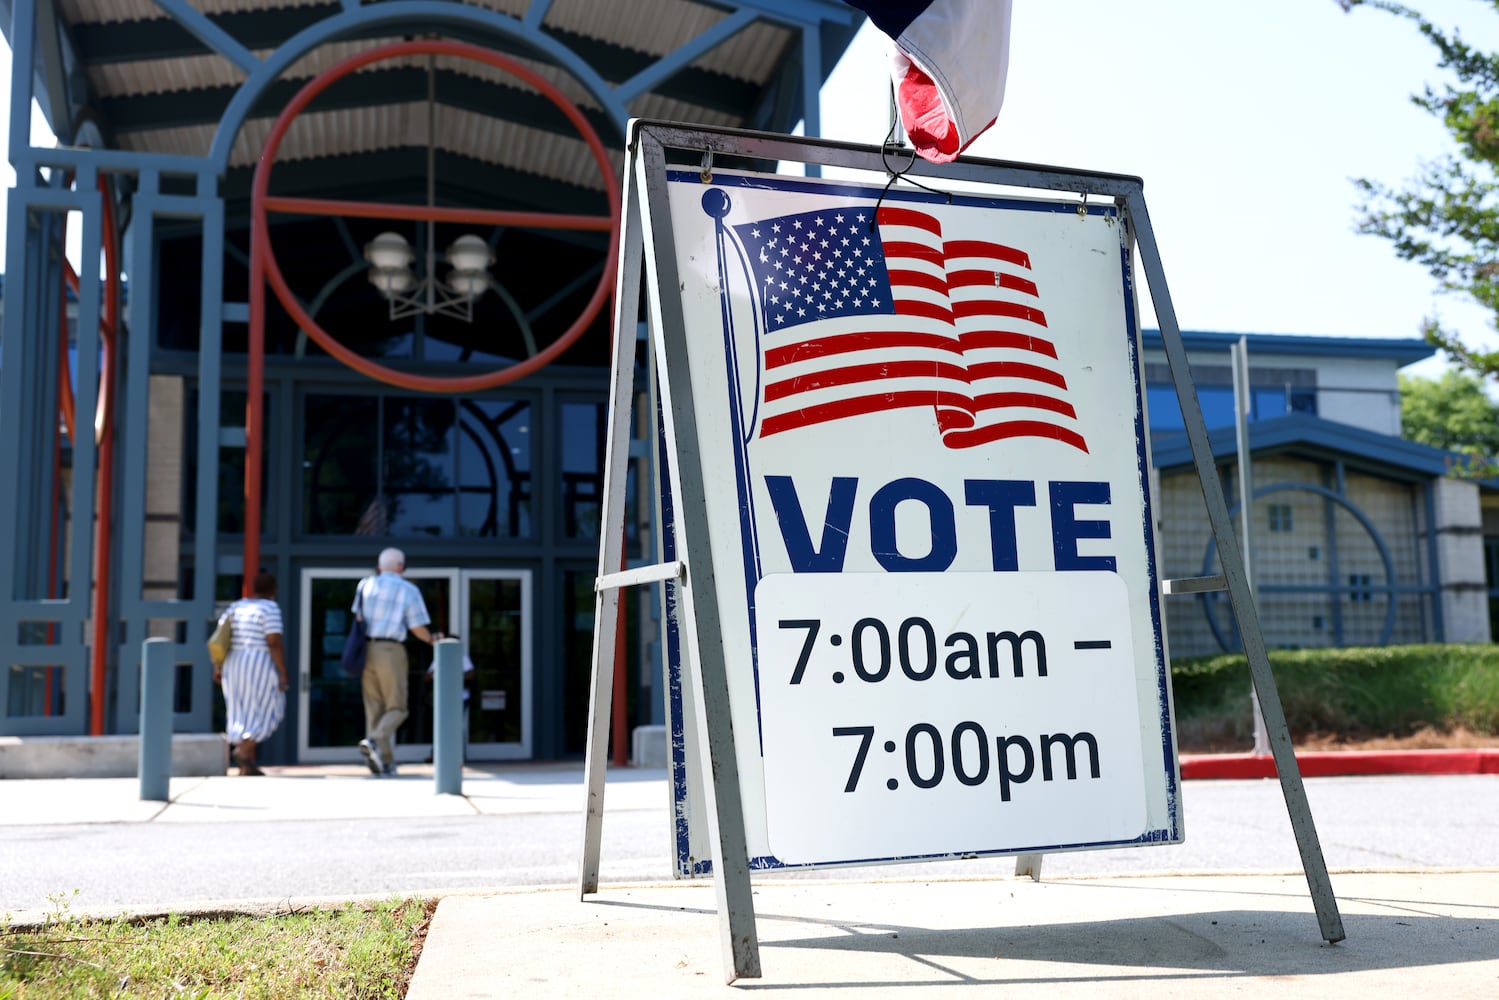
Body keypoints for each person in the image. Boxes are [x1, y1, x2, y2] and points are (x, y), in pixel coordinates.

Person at [352, 547, 434, 776]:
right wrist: (431, 640)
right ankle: (376, 741)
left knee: (375, 709)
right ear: (400, 567)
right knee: (397, 707)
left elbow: (358, 618)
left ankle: (384, 762)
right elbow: (416, 626)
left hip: (366, 649)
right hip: (390, 649)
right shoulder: (408, 589)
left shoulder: (365, 585)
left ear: (379, 567)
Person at [213, 571, 288, 776]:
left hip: (233, 662)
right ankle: (244, 750)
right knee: (270, 707)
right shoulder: (270, 608)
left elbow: (221, 639)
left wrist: (218, 666)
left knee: (240, 709)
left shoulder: (236, 607)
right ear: (273, 590)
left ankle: (245, 766)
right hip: (258, 662)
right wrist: (282, 672)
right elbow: (273, 641)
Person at [424, 631, 475, 764]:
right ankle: (436, 755)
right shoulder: (439, 657)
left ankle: (459, 756)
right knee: (440, 726)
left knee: (456, 727)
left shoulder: (462, 657)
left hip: (460, 698)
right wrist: (438, 673)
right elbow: (427, 677)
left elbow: (470, 674)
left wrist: (453, 676)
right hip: (442, 698)